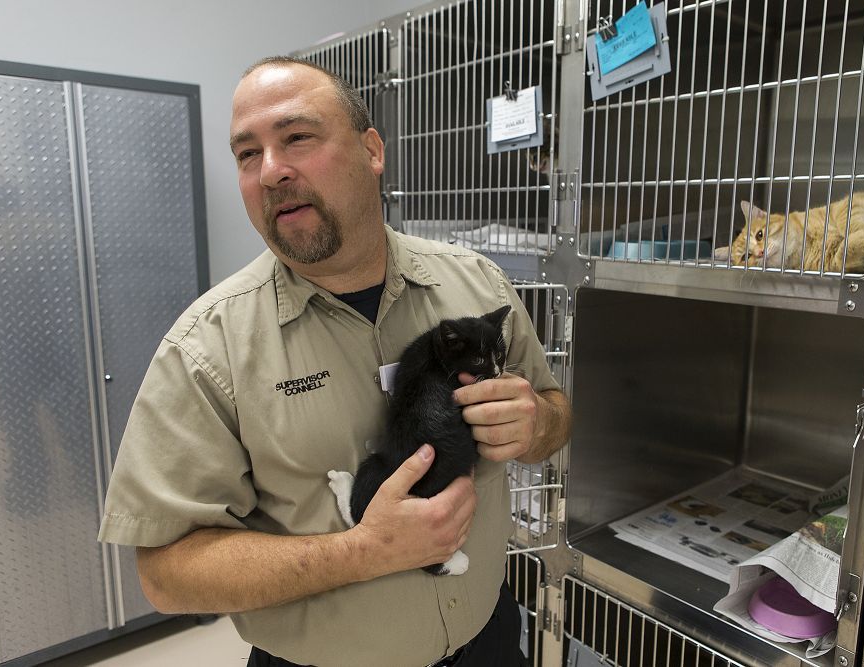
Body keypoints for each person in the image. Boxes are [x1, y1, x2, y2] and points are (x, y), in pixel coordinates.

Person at [98, 55, 571, 667]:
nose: (271, 171)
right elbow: (166, 573)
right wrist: (364, 550)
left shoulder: (477, 285)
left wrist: (535, 423)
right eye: (247, 154)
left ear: (372, 150)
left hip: (489, 640)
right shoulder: (206, 348)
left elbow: (555, 414)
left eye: (297, 137)